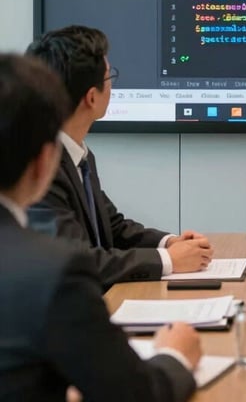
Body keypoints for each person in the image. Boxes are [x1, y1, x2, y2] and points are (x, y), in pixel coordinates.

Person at [0, 53, 200, 401]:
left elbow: (113, 223)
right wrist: (175, 355)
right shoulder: (54, 273)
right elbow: (136, 394)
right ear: (44, 162)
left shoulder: (82, 159)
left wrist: (167, 244)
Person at [27, 25, 212, 288]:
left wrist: (169, 242)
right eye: (108, 76)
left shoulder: (77, 155)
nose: (112, 85)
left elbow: (113, 227)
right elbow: (75, 262)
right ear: (91, 97)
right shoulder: (39, 169)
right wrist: (167, 260)